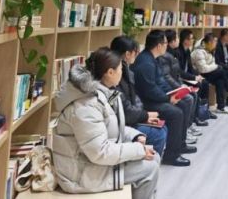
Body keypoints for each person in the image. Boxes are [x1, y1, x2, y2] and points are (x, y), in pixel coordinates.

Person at [52, 48, 159, 198]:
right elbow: (99, 152)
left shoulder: (103, 94)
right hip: (80, 175)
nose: (122, 72)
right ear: (110, 72)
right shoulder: (86, 106)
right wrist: (138, 150)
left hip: (92, 164)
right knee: (149, 168)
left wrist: (135, 137)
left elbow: (110, 128)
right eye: (120, 69)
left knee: (153, 157)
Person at [132, 30, 195, 166]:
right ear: (159, 45)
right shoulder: (146, 63)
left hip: (154, 97)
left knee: (184, 103)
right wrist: (168, 99)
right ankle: (171, 155)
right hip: (146, 102)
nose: (167, 46)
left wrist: (173, 93)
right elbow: (150, 90)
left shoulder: (153, 59)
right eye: (166, 43)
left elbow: (161, 82)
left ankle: (180, 145)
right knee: (176, 113)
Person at [110, 36, 168, 158]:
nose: (137, 55)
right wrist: (144, 116)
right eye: (136, 52)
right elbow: (122, 108)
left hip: (130, 116)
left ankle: (151, 160)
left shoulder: (127, 71)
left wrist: (143, 115)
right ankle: (149, 161)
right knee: (158, 133)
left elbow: (134, 98)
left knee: (161, 128)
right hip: (121, 122)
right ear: (127, 54)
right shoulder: (114, 78)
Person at [159, 29, 204, 139]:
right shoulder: (169, 55)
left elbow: (178, 72)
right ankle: (186, 129)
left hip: (177, 82)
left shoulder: (178, 52)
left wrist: (196, 76)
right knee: (190, 97)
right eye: (177, 38)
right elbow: (172, 75)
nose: (193, 40)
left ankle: (191, 123)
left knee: (198, 88)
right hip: (173, 85)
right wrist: (180, 86)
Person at [191, 32, 228, 114]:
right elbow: (202, 69)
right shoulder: (199, 52)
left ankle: (221, 107)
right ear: (209, 42)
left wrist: (216, 67)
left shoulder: (210, 50)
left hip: (208, 73)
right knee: (220, 70)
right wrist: (216, 67)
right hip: (199, 74)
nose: (216, 43)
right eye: (214, 42)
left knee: (220, 80)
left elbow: (212, 64)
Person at [176, 29, 217, 120]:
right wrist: (194, 77)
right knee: (199, 85)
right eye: (191, 39)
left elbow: (190, 68)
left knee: (205, 82)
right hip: (181, 78)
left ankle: (204, 110)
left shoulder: (187, 51)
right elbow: (180, 72)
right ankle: (196, 115)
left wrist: (198, 75)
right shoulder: (178, 52)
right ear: (185, 40)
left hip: (187, 76)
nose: (193, 40)